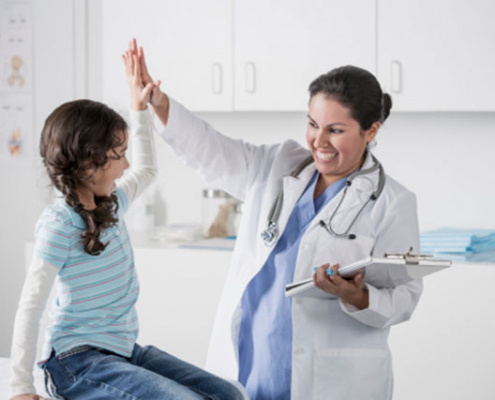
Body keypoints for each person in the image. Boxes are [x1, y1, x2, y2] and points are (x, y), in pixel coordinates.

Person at [131, 39, 422, 400]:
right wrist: (159, 103)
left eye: (336, 130)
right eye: (313, 124)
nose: (319, 141)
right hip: (251, 361)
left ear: (371, 131)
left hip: (331, 378)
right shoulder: (279, 164)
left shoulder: (393, 203)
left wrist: (358, 296)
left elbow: (404, 296)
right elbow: (213, 150)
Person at [9, 49, 245, 400]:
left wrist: (138, 109)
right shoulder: (59, 224)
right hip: (76, 363)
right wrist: (20, 388)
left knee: (229, 395)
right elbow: (31, 305)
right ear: (88, 164)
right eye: (118, 156)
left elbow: (146, 170)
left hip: (121, 351)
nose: (125, 165)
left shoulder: (113, 202)